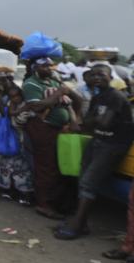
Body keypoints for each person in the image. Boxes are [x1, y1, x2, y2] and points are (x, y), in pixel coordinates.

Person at [55, 65, 134, 240]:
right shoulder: (99, 96)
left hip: (112, 145)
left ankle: (76, 225)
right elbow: (90, 122)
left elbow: (103, 123)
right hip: (97, 141)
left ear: (110, 77)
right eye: (93, 75)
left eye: (101, 74)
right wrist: (98, 119)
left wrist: (96, 120)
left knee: (89, 182)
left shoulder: (115, 96)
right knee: (83, 180)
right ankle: (81, 224)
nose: (97, 77)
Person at [22, 57, 84, 220]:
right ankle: (45, 205)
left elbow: (72, 102)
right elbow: (37, 106)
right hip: (43, 128)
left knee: (61, 166)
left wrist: (73, 120)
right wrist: (59, 93)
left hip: (59, 129)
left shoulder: (54, 82)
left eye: (51, 66)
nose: (49, 69)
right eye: (45, 66)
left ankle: (61, 204)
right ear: (36, 68)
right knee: (48, 168)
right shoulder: (31, 84)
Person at [0, 83, 35, 206]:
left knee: (22, 167)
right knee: (6, 165)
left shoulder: (26, 105)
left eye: (18, 96)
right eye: (13, 97)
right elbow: (4, 113)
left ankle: (27, 194)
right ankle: (11, 191)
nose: (16, 99)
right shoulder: (13, 105)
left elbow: (22, 120)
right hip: (10, 138)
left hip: (21, 140)